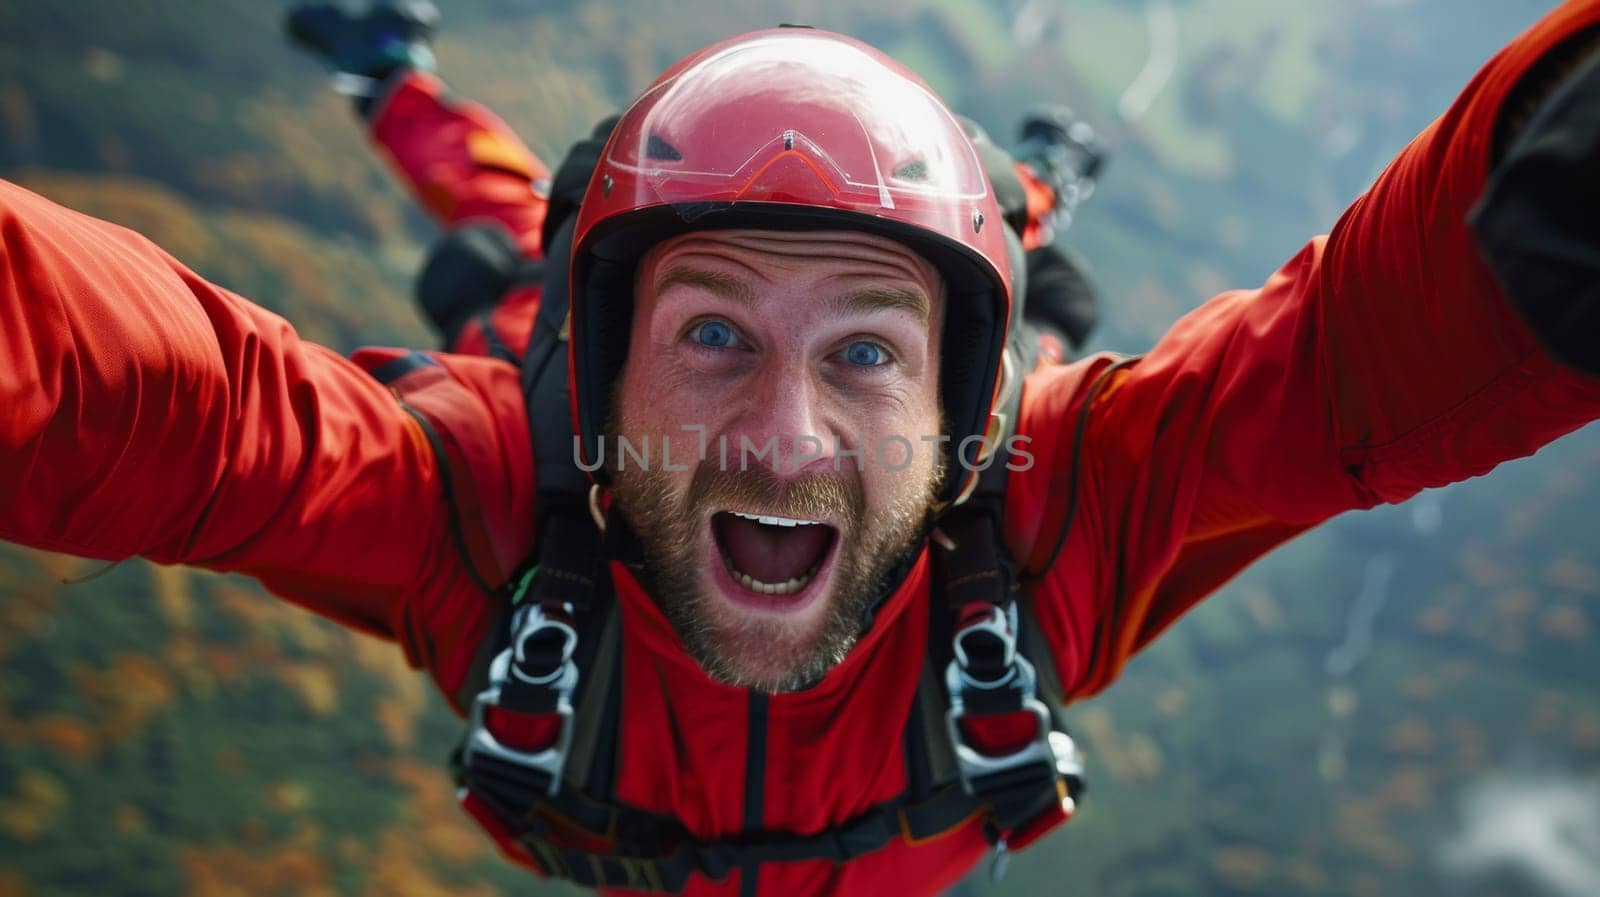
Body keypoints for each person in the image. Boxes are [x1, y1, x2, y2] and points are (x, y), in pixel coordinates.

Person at [2, 4, 1599, 896]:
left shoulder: (1041, 504)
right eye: (709, 336)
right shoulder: (494, 487)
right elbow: (179, 406)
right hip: (572, 329)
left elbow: (1338, 365)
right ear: (600, 360)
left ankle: (1017, 201)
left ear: (966, 418)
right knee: (512, 245)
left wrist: (1560, 164)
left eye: (863, 355)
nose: (781, 440)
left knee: (968, 241)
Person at [286, 1, 1105, 369]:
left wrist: (391, 79)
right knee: (949, 227)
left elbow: (485, 184)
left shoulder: (538, 338)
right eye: (714, 333)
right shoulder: (533, 333)